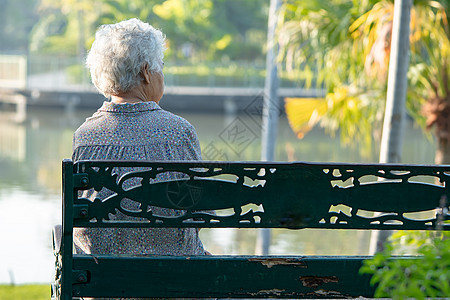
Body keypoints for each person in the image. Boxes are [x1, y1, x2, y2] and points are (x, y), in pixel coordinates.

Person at [72, 18, 208, 259]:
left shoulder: (85, 137)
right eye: (160, 67)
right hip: (176, 281)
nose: (161, 75)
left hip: (104, 285)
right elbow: (196, 215)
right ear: (146, 72)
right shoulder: (180, 132)